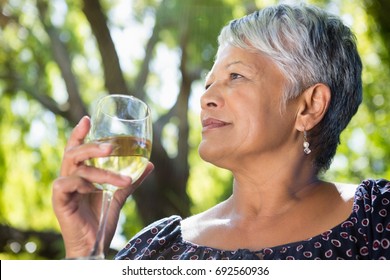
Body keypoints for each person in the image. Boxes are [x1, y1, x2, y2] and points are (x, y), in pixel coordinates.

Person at [52, 3, 390, 260]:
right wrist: (84, 254)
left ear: (309, 106)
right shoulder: (158, 248)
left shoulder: (377, 216)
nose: (206, 98)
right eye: (209, 82)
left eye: (236, 77)